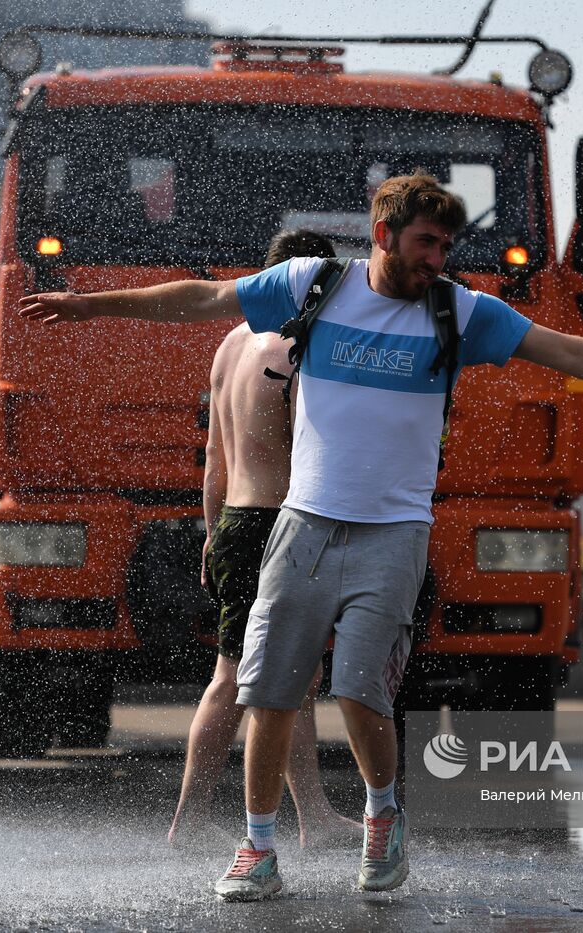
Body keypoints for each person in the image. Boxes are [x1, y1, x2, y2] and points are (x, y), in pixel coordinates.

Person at [17, 171, 583, 902]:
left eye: (448, 245)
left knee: (360, 689)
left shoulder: (459, 311)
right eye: (428, 243)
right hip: (302, 525)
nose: (440, 257)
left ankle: (382, 813)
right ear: (385, 234)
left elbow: (568, 351)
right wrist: (87, 306)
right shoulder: (314, 287)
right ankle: (258, 846)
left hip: (393, 533)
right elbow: (201, 298)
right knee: (266, 688)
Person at [168, 229, 358, 849]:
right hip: (283, 524)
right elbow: (317, 454)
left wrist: (210, 529)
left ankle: (313, 819)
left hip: (233, 522)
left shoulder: (231, 343)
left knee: (288, 681)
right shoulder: (303, 345)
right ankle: (191, 823)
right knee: (238, 680)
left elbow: (213, 455)